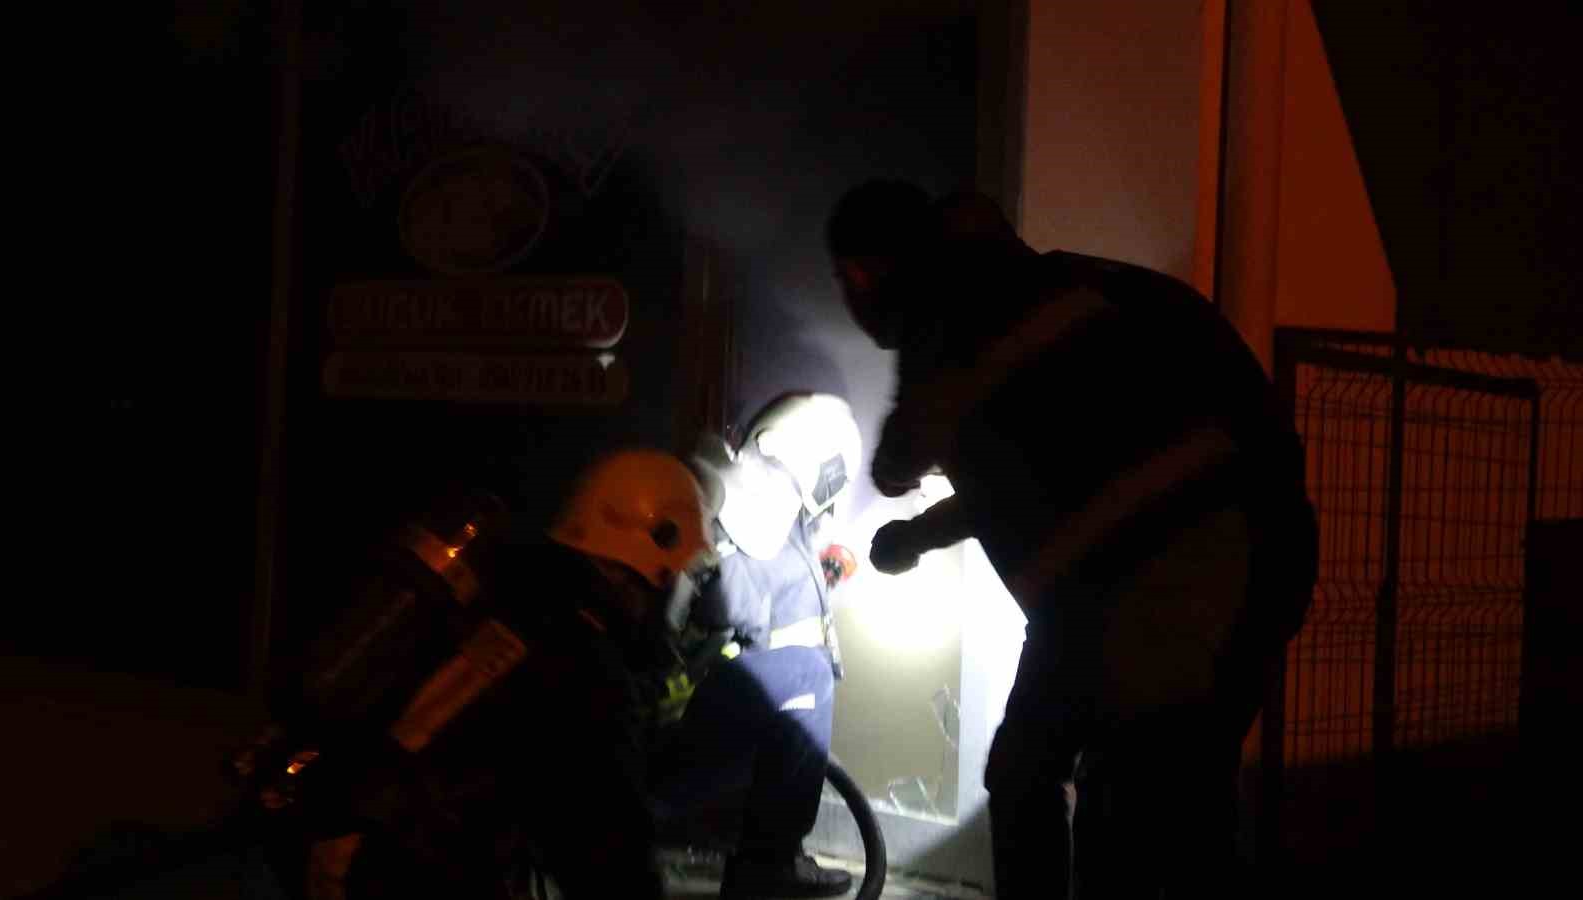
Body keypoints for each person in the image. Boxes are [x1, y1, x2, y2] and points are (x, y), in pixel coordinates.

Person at [825, 181, 1318, 898]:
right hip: (1164, 574)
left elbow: (899, 460)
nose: (851, 300)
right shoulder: (1052, 294)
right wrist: (922, 534)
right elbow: (1028, 473)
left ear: (872, 273)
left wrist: (911, 514)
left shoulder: (961, 318)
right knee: (1048, 774)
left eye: (851, 281)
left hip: (1178, 576)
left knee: (1129, 806)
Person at [237, 450, 713, 900]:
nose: (691, 595)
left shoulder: (510, 592)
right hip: (404, 867)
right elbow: (608, 851)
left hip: (336, 836)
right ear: (653, 561)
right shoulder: (583, 666)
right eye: (690, 574)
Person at [650, 393, 862, 900]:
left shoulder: (716, 486)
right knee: (807, 677)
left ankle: (760, 852)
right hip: (657, 743)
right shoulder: (751, 529)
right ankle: (770, 863)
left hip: (649, 724)